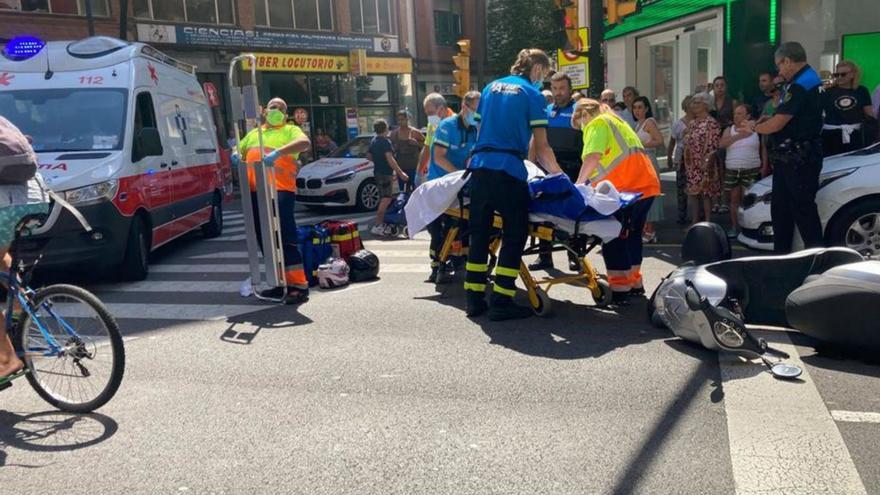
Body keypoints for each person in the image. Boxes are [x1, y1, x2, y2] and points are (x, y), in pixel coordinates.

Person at [464, 48, 563, 321]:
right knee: (515, 233)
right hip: (508, 170)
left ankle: (473, 299)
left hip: (481, 169)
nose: (542, 81)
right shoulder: (532, 95)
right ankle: (501, 299)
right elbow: (542, 148)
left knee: (480, 235)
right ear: (537, 69)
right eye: (543, 74)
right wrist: (560, 177)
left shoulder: (489, 88)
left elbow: (479, 130)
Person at [572, 99, 660, 304]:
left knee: (613, 236)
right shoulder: (617, 121)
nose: (582, 129)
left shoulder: (597, 123)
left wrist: (578, 185)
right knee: (633, 236)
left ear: (583, 115)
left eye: (580, 125)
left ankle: (620, 289)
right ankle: (635, 283)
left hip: (623, 191)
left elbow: (592, 157)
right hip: (645, 186)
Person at [750, 41, 824, 253]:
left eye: (779, 66)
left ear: (788, 61)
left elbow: (779, 123)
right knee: (781, 208)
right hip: (791, 157)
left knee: (802, 209)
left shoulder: (801, 84)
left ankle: (815, 259)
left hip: (799, 157)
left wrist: (756, 127)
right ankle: (782, 255)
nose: (779, 71)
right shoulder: (808, 79)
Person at [236, 98, 312, 303]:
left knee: (284, 237)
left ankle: (298, 285)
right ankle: (278, 283)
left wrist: (279, 152)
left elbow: (305, 143)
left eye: (280, 108)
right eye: (272, 107)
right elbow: (238, 148)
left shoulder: (289, 131)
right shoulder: (255, 133)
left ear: (285, 113)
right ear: (265, 111)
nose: (276, 110)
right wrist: (236, 154)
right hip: (256, 191)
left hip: (280, 190)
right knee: (265, 240)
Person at [0, 117, 50, 385]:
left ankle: (5, 361)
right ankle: (19, 308)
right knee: (0, 256)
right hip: (33, 200)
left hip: (4, 203)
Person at [529, 72, 585, 271]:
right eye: (555, 88)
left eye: (562, 88)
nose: (558, 92)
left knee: (572, 214)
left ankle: (575, 256)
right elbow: (536, 141)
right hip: (547, 169)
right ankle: (544, 257)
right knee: (544, 213)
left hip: (573, 168)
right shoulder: (546, 111)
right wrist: (530, 166)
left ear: (570, 89)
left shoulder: (580, 111)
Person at [425, 91, 480, 283]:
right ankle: (436, 264)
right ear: (465, 107)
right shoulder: (447, 127)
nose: (478, 115)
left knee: (461, 225)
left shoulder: (475, 129)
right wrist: (459, 175)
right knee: (439, 228)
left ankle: (458, 259)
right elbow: (439, 157)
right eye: (476, 110)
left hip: (462, 184)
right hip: (441, 182)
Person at [720, 104, 764, 237]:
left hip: (751, 167)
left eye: (739, 113)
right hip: (733, 168)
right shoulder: (729, 129)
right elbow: (722, 144)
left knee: (749, 198)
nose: (736, 116)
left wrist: (764, 165)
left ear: (748, 116)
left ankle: (749, 227)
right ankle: (735, 227)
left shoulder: (756, 128)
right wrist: (740, 135)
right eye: (735, 113)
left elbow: (763, 149)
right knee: (734, 199)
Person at [821, 60, 875, 157]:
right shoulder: (827, 91)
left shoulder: (861, 91)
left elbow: (869, 114)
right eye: (836, 75)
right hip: (831, 135)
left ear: (852, 74)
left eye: (843, 74)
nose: (840, 77)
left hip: (855, 135)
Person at [684, 92, 721, 225]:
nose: (693, 105)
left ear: (705, 105)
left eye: (697, 102)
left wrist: (707, 162)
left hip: (705, 164)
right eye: (693, 102)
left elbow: (713, 145)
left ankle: (707, 222)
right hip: (691, 164)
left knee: (706, 194)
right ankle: (694, 222)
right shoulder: (692, 123)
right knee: (693, 194)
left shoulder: (711, 123)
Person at [632, 96, 665, 243]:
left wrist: (641, 146)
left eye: (640, 107)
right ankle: (646, 228)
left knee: (650, 193)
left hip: (649, 159)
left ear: (646, 109)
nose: (637, 111)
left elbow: (659, 141)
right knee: (642, 194)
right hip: (640, 161)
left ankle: (651, 230)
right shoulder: (637, 125)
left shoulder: (649, 122)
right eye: (635, 107)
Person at [369, 119, 408, 236]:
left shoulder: (374, 141)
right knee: (386, 198)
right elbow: (390, 159)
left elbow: (369, 156)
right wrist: (400, 173)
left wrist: (378, 160)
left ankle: (383, 222)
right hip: (386, 173)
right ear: (385, 129)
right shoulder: (385, 142)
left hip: (378, 172)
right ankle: (378, 224)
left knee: (386, 198)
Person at [667, 95, 694, 225]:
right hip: (682, 155)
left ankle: (697, 213)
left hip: (695, 155)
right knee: (681, 186)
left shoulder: (699, 121)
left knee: (695, 186)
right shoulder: (678, 124)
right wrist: (669, 157)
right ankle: (681, 214)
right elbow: (672, 142)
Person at [417, 93, 455, 182]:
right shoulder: (432, 125)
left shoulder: (456, 124)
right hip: (435, 179)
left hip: (452, 178)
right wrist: (419, 171)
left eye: (431, 113)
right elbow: (427, 148)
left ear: (441, 108)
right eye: (427, 114)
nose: (429, 117)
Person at [390, 109, 425, 191]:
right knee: (402, 193)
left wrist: (417, 143)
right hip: (401, 168)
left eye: (402, 119)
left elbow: (427, 146)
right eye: (398, 120)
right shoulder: (394, 133)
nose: (400, 122)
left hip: (414, 168)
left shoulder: (415, 132)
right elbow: (390, 151)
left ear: (407, 119)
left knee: (415, 192)